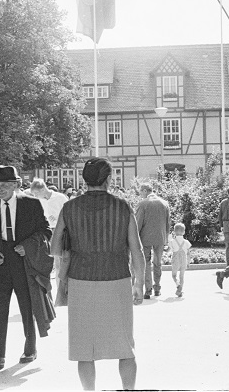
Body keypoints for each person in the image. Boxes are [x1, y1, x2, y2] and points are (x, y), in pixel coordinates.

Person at [50, 157, 145, 391]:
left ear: (84, 179)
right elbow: (137, 250)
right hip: (117, 280)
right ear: (109, 179)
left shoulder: (69, 207)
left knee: (84, 349)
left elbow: (54, 248)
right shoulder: (122, 206)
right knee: (125, 346)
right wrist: (139, 283)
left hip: (80, 281)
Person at [0, 165, 52, 371]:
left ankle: (30, 348)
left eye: (4, 185)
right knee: (0, 308)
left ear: (15, 185)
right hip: (1, 262)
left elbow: (46, 231)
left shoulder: (31, 204)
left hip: (23, 261)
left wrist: (27, 246)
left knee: (26, 306)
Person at [30, 178, 68, 286]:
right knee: (56, 262)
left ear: (42, 190)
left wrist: (57, 218)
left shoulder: (60, 197)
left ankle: (65, 286)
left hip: (62, 230)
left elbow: (69, 213)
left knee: (63, 260)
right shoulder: (39, 201)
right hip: (49, 231)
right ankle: (59, 287)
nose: (35, 196)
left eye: (36, 193)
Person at [135, 183, 170, 299]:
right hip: (160, 237)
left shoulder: (142, 204)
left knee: (146, 263)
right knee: (157, 263)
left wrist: (134, 239)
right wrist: (166, 239)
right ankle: (157, 288)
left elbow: (138, 223)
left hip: (145, 238)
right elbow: (167, 223)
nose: (140, 195)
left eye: (140, 192)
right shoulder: (164, 203)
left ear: (145, 191)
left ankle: (148, 290)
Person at [166, 223, 192, 297]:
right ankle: (180, 290)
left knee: (174, 275)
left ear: (174, 232)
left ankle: (177, 285)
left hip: (176, 260)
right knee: (182, 276)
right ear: (184, 232)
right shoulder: (186, 242)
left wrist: (164, 250)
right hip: (184, 260)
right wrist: (188, 262)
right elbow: (188, 254)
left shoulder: (172, 241)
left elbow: (168, 250)